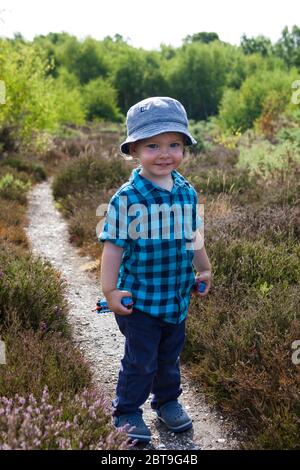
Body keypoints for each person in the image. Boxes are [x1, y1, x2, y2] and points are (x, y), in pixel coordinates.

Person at [99, 96, 212, 443]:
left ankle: (167, 402)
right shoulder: (127, 197)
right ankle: (128, 410)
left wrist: (204, 268)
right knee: (141, 361)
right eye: (153, 145)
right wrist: (109, 291)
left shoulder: (185, 191)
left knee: (169, 356)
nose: (165, 153)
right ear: (134, 149)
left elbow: (193, 234)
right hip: (140, 299)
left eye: (174, 144)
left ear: (184, 147)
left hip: (176, 295)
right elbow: (113, 246)